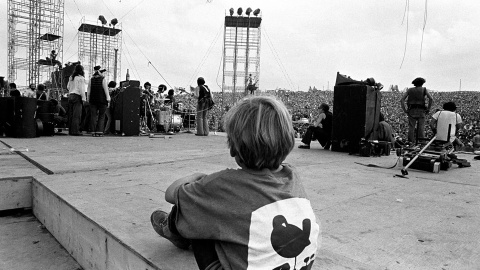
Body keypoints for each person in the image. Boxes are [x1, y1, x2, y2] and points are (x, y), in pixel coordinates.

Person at [150, 96, 320, 270]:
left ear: (233, 149)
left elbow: (170, 194)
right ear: (288, 142)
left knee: (196, 207)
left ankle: (171, 229)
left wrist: (197, 177)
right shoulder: (292, 176)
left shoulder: (223, 184)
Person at [400, 77, 433, 144]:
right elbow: (431, 99)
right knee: (421, 127)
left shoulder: (410, 90)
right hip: (421, 110)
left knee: (411, 127)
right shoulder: (423, 89)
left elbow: (402, 100)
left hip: (411, 110)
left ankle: (410, 142)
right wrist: (428, 109)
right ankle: (421, 142)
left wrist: (405, 109)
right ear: (422, 83)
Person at [87, 66, 110, 137]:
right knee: (101, 116)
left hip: (93, 100)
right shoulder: (103, 79)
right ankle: (99, 132)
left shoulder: (91, 80)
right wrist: (108, 99)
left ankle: (93, 131)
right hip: (102, 100)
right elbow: (106, 90)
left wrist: (88, 99)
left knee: (93, 116)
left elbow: (88, 91)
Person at [67, 64, 87, 136]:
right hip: (77, 96)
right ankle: (75, 131)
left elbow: (68, 87)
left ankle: (71, 131)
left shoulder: (71, 77)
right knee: (77, 115)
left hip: (70, 95)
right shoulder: (80, 78)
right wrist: (84, 98)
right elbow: (82, 89)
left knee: (71, 115)